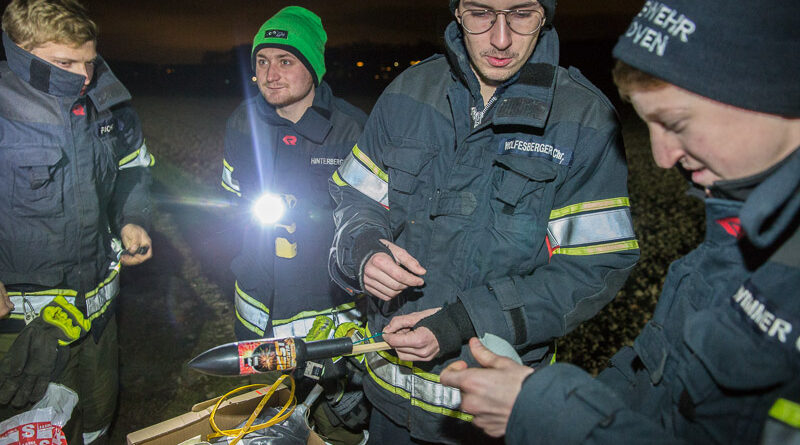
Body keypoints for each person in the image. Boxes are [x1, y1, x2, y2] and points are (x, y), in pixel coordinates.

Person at [439, 0, 800, 443]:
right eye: (649, 125)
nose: (663, 158)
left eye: (678, 123)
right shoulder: (735, 224)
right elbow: (656, 386)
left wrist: (550, 413)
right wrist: (555, 404)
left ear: (774, 97)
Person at [328, 0, 641, 442]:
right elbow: (355, 194)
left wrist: (465, 321)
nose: (500, 38)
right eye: (480, 13)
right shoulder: (407, 91)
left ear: (545, 17)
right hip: (385, 401)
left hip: (490, 416)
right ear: (457, 13)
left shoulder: (584, 119)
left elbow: (594, 266)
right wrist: (362, 246)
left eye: (520, 14)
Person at [0, 0, 154, 443]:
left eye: (88, 61)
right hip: (24, 330)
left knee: (97, 419)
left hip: (99, 318)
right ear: (20, 52)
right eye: (64, 62)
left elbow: (134, 169)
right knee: (35, 428)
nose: (83, 77)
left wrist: (132, 218)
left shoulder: (108, 103)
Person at [219, 6, 369, 443]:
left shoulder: (352, 129)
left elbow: (375, 224)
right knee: (265, 424)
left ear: (313, 68)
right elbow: (231, 201)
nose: (271, 74)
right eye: (262, 62)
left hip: (328, 313)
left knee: (339, 425)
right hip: (260, 310)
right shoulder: (239, 123)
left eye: (286, 61)